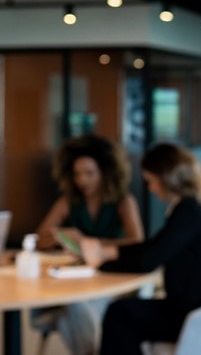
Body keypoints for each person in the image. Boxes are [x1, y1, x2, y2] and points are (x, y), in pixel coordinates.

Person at [79, 143, 201, 354]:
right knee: (124, 312)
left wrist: (101, 264)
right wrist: (110, 252)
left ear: (167, 179)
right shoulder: (190, 207)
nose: (151, 188)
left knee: (121, 314)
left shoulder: (187, 211)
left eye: (151, 182)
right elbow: (155, 245)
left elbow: (149, 261)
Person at [30, 134, 145, 355]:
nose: (82, 180)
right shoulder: (69, 201)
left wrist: (85, 241)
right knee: (73, 306)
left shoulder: (123, 201)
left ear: (105, 172)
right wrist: (57, 237)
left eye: (89, 173)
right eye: (77, 174)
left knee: (73, 310)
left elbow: (137, 242)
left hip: (111, 280)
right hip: (78, 279)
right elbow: (40, 237)